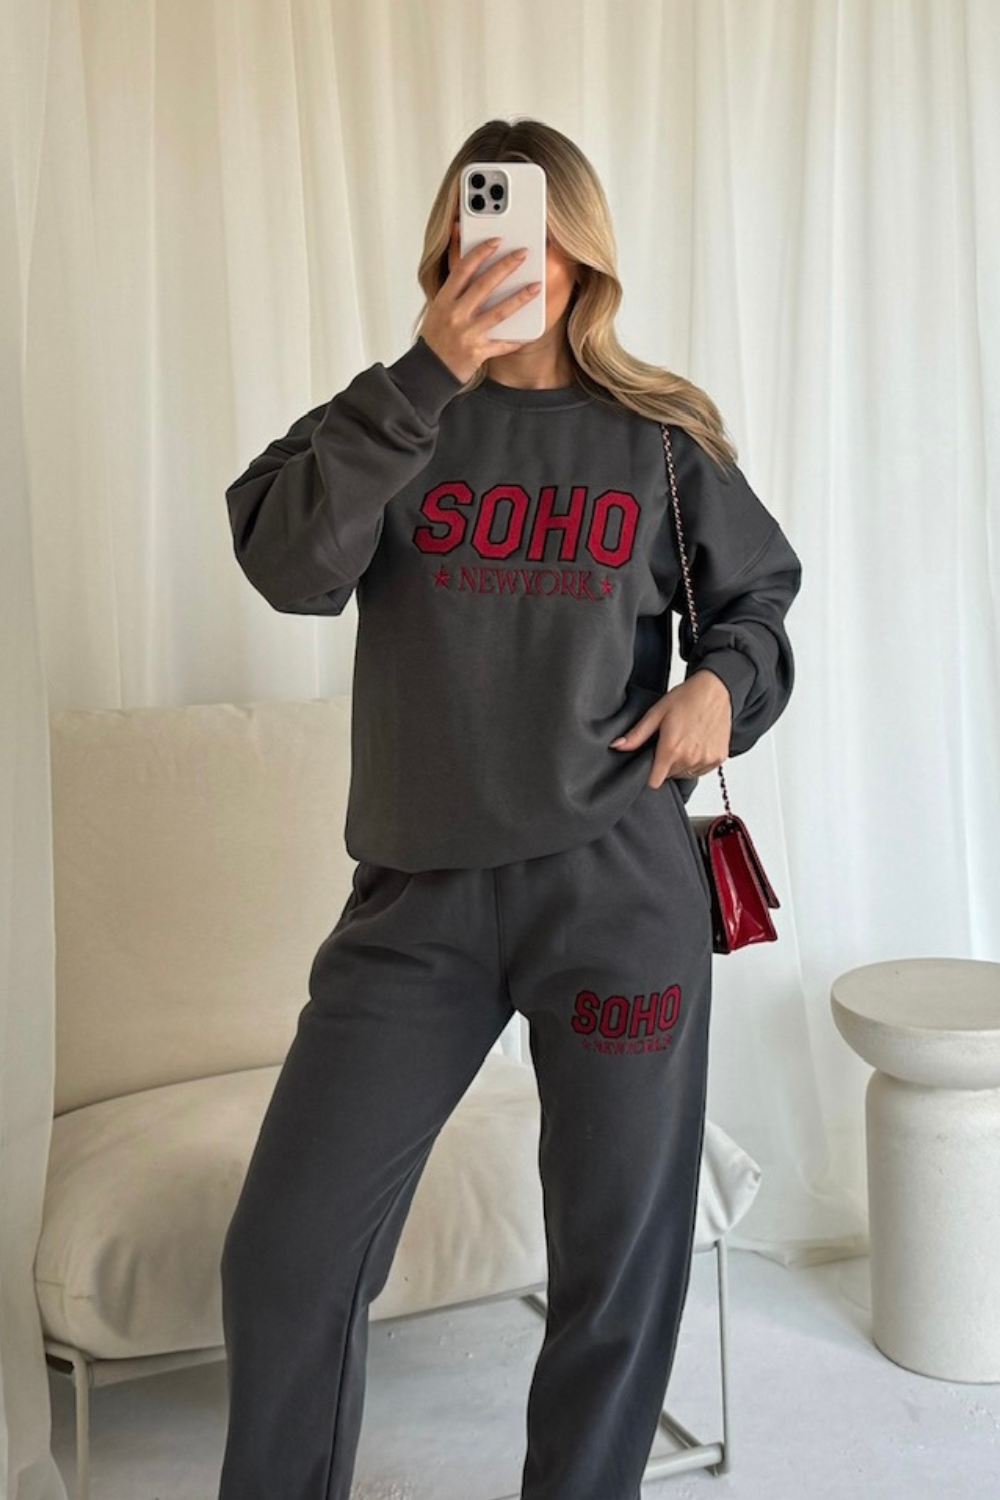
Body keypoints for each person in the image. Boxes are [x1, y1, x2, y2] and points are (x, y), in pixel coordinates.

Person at [217, 116, 802, 1500]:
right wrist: (430, 369)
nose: (510, 259)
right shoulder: (389, 421)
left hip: (617, 889)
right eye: (482, 228)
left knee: (614, 1269)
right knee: (287, 1254)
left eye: (537, 233)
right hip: (416, 905)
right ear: (445, 246)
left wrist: (722, 685)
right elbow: (289, 567)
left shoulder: (659, 439)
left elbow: (758, 608)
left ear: (582, 249)